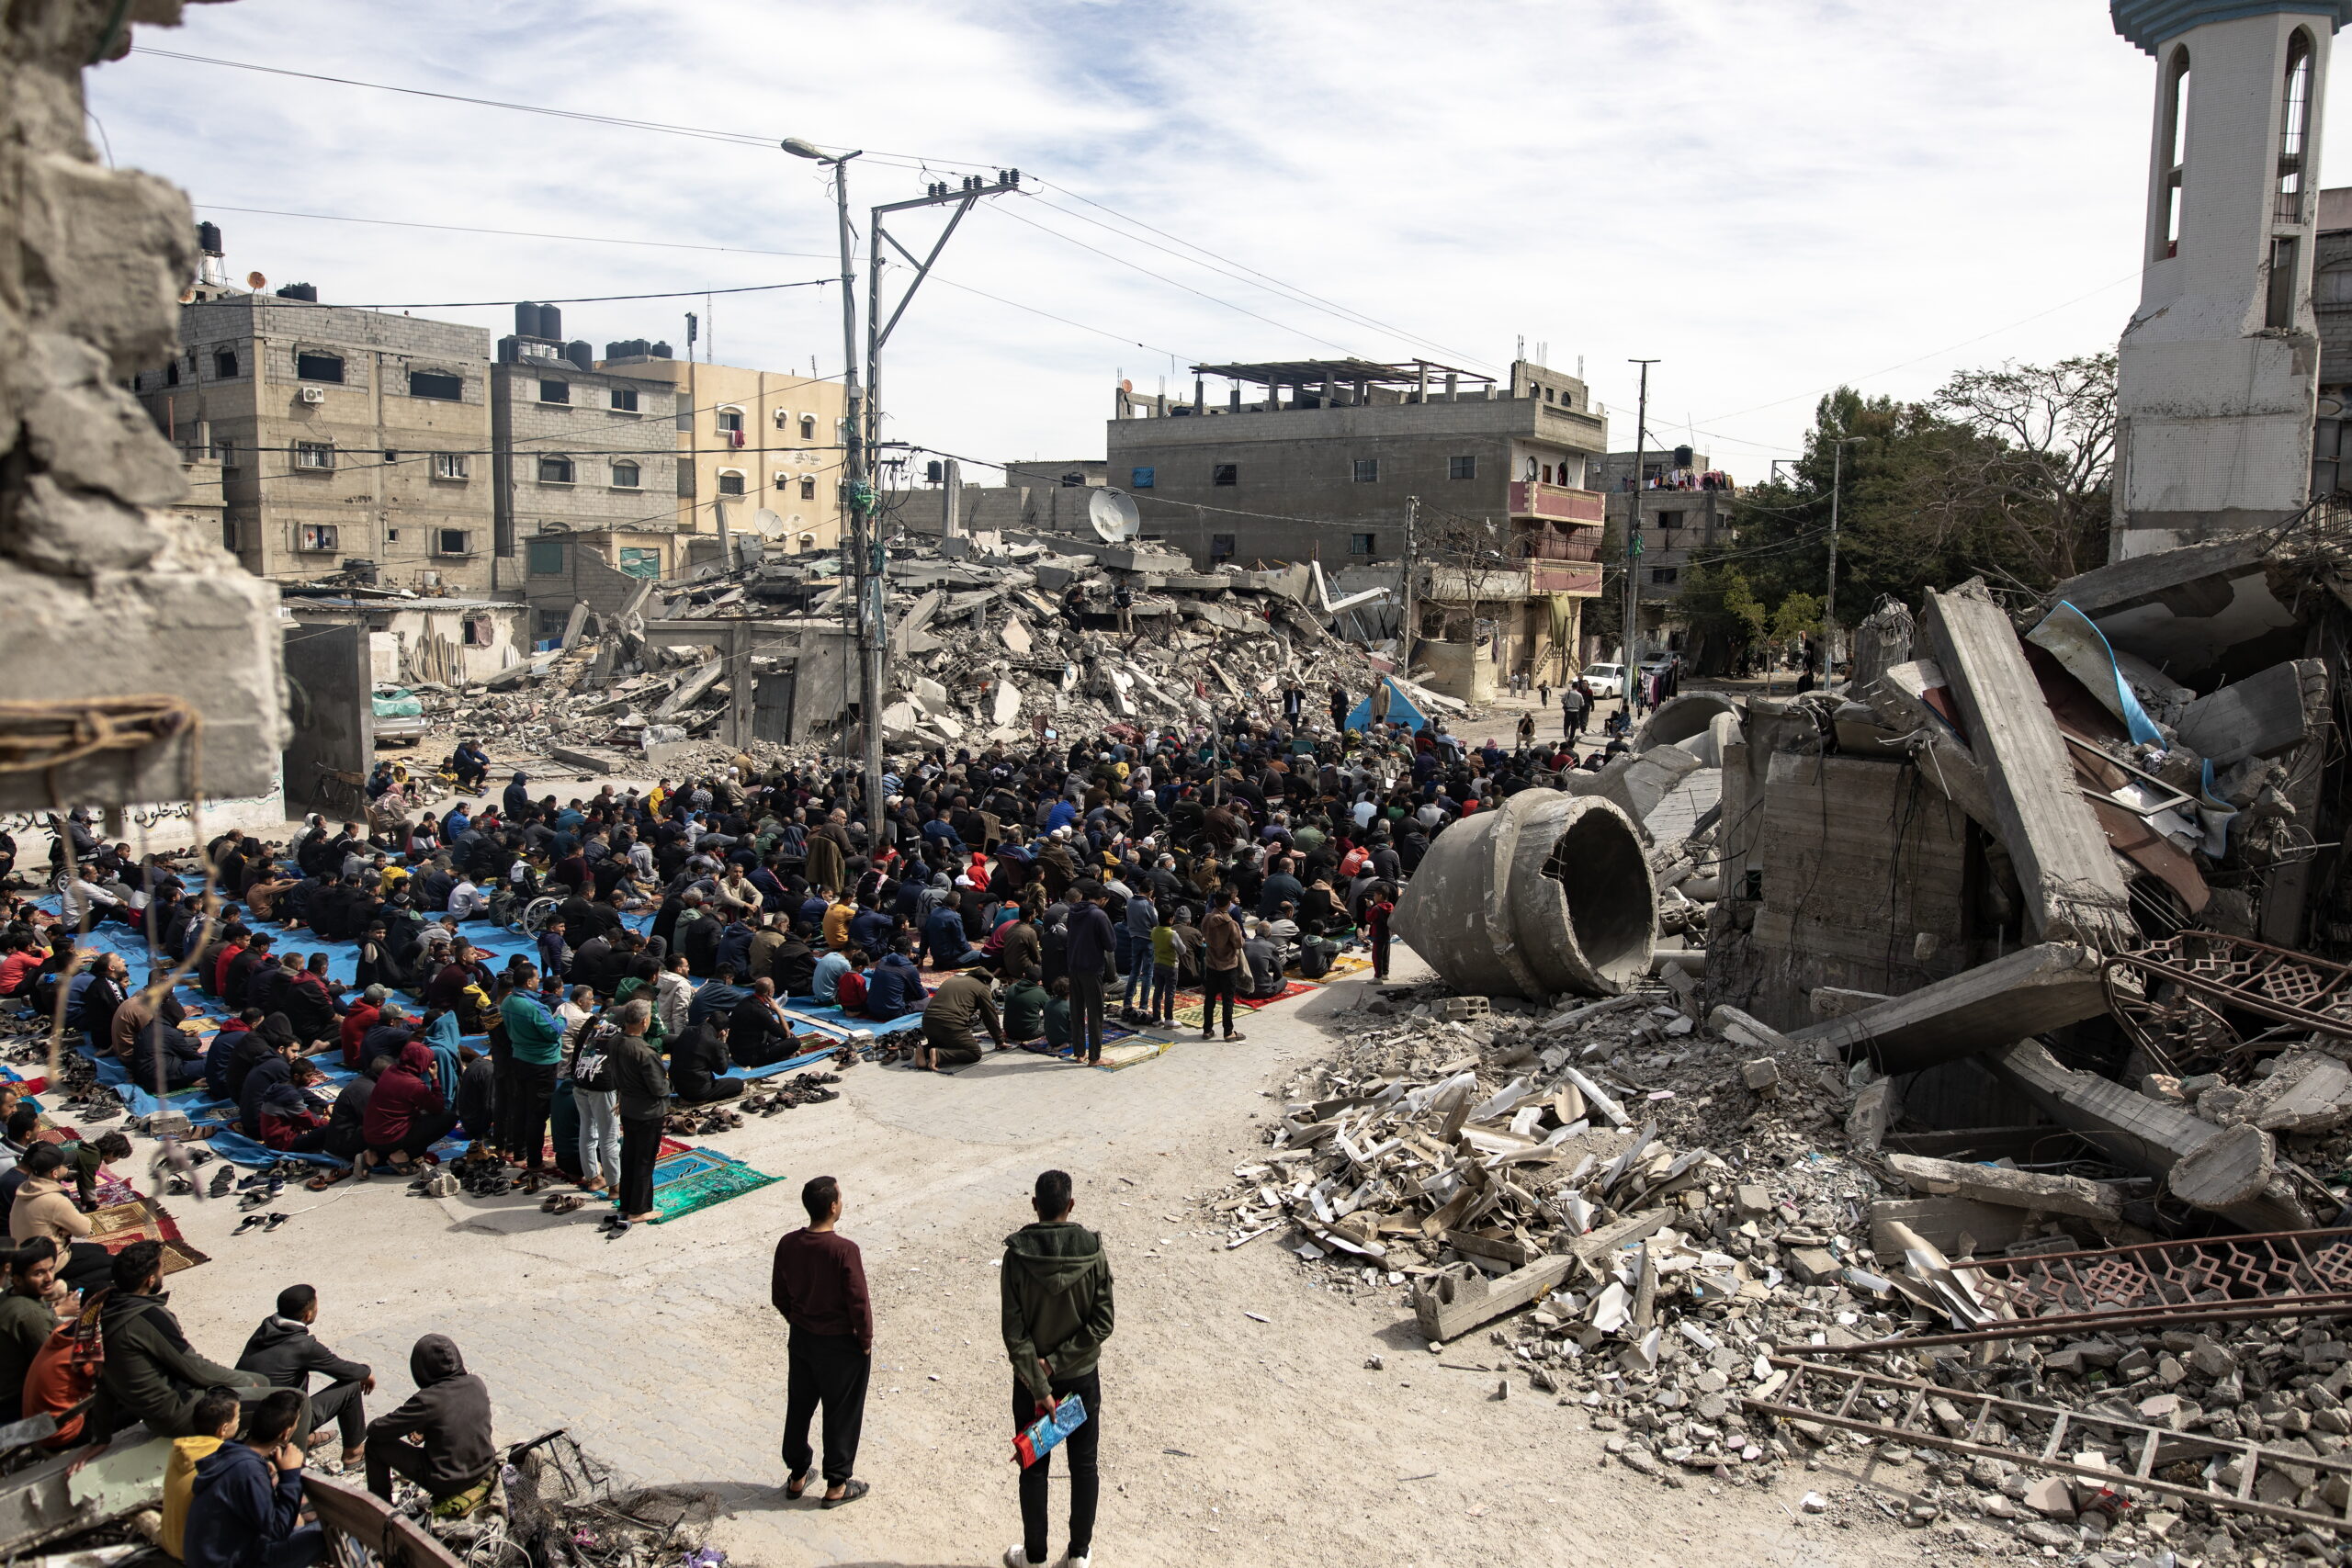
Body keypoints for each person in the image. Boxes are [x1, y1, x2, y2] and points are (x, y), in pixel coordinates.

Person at [1001, 1169, 1113, 1568]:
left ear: (1034, 1205)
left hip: (1032, 1387)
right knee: (1084, 1466)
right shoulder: (1093, 1252)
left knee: (1034, 1468)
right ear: (1071, 1205)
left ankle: (1033, 1559)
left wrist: (1040, 1377)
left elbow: (1013, 1331)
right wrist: (1061, 1361)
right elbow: (1102, 1323)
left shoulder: (1017, 1256)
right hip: (1082, 1379)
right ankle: (1079, 1555)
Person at [97, 1241, 276, 1438]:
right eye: (161, 1269)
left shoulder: (107, 1311)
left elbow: (103, 1379)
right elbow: (194, 1368)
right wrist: (244, 1381)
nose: (162, 1275)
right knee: (281, 1400)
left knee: (260, 1381)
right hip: (181, 1414)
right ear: (150, 1280)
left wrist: (100, 1437)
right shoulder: (147, 1317)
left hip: (155, 1414)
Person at [772, 1175, 872, 1509]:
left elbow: (779, 1295)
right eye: (840, 1198)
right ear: (832, 1207)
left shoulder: (787, 1243)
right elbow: (858, 1301)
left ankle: (798, 1473)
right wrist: (865, 1340)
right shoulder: (844, 1250)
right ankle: (836, 1484)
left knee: (799, 1406)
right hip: (841, 1345)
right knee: (841, 1411)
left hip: (802, 1339)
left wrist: (797, 1320)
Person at [238, 1284, 373, 1472]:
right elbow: (345, 1370)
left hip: (245, 1420)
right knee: (350, 1387)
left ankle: (307, 1438)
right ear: (308, 1315)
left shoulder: (265, 1328)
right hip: (279, 1425)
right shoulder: (304, 1346)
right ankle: (354, 1453)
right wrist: (366, 1372)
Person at [183, 1388, 322, 1568]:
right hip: (231, 1562)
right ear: (285, 1433)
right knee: (331, 1534)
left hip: (205, 1557)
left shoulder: (228, 1453)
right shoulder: (249, 1469)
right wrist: (290, 1475)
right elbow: (278, 1529)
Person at [364, 1334, 495, 1506]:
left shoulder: (427, 1400)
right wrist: (424, 1425)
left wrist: (414, 1421)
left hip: (448, 1481)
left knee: (374, 1446)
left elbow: (376, 1430)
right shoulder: (476, 1383)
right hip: (484, 1467)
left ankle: (381, 1511)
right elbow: (453, 1414)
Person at [607, 1000, 669, 1225]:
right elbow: (659, 1087)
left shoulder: (615, 1042)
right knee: (643, 1161)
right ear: (645, 1021)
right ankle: (639, 1209)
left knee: (630, 1157)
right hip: (648, 1112)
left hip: (630, 1108)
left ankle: (627, 1204)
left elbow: (616, 1074)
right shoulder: (643, 1051)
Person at [0, 1238, 59, 1423]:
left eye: (50, 1269)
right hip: (16, 1406)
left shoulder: (7, 1295)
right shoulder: (30, 1315)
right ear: (17, 1279)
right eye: (39, 1273)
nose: (49, 1278)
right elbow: (50, 1367)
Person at [1061, 883, 1115, 1066]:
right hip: (1092, 968)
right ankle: (1094, 1056)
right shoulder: (1099, 915)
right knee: (1095, 1013)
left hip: (1074, 966)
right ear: (1102, 900)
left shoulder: (1073, 912)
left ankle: (1079, 1053)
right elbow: (1110, 945)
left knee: (1077, 1011)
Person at [915, 970, 1004, 1070]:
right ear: (987, 982)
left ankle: (924, 1050)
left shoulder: (952, 980)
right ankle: (939, 1055)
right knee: (974, 1053)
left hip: (927, 1023)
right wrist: (999, 1040)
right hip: (950, 1025)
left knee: (945, 1043)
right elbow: (989, 1016)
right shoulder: (982, 987)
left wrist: (966, 1038)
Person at [1198, 892, 1247, 1044]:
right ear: (1228, 904)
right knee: (1227, 1000)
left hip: (1212, 964)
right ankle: (1228, 1032)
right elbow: (1238, 944)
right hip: (1228, 965)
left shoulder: (1207, 919)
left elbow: (1204, 935)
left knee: (1210, 999)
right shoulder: (1231, 924)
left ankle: (1207, 1029)